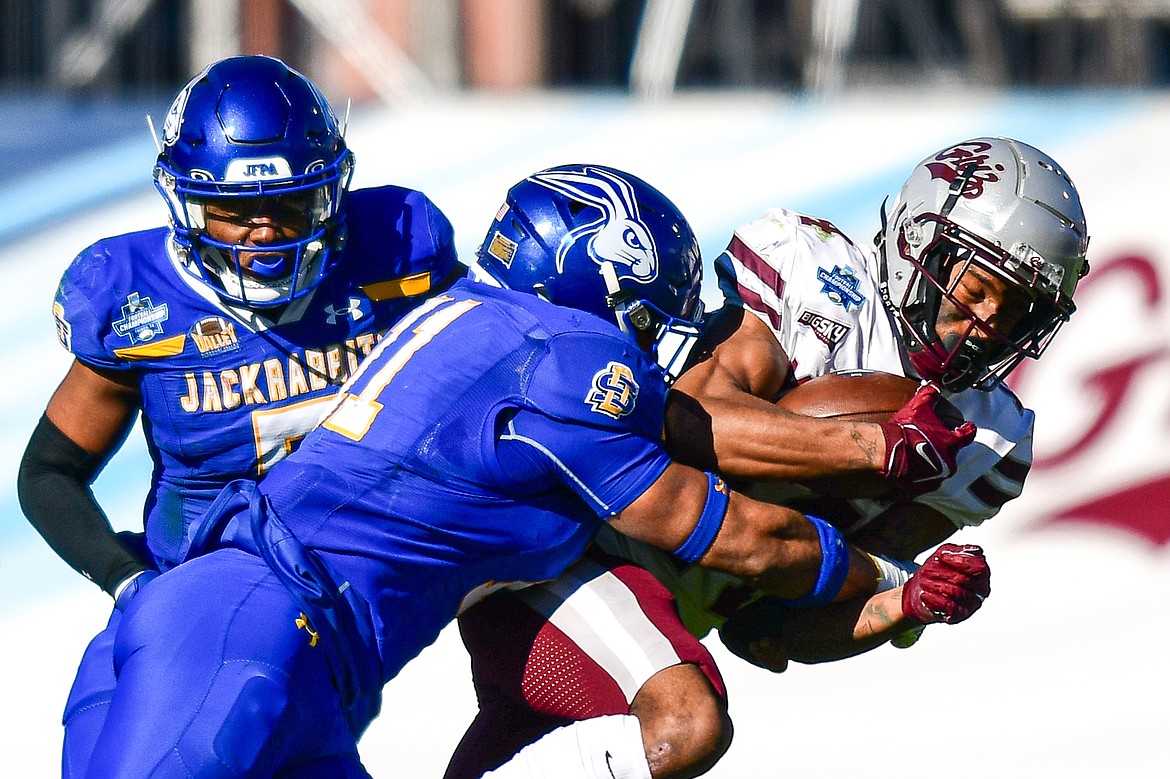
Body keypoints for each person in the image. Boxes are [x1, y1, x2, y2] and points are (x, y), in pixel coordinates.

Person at [74, 163, 973, 777]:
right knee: (685, 716)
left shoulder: (486, 324)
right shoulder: (564, 354)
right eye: (646, 317)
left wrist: (862, 456)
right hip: (254, 626)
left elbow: (687, 426)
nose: (646, 347)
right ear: (604, 276)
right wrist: (889, 571)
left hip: (301, 652)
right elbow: (738, 533)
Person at [448, 137, 1090, 779]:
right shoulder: (813, 268)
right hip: (578, 543)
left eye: (1018, 311)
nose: (987, 321)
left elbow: (772, 630)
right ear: (921, 243)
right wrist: (868, 448)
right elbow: (692, 421)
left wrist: (907, 602)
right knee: (684, 724)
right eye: (979, 287)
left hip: (662, 623)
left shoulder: (992, 443)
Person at [15, 54, 460, 777]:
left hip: (327, 636)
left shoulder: (395, 251)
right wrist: (129, 581)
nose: (264, 232)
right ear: (186, 202)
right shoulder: (137, 300)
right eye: (233, 209)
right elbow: (49, 472)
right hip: (191, 624)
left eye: (288, 204)